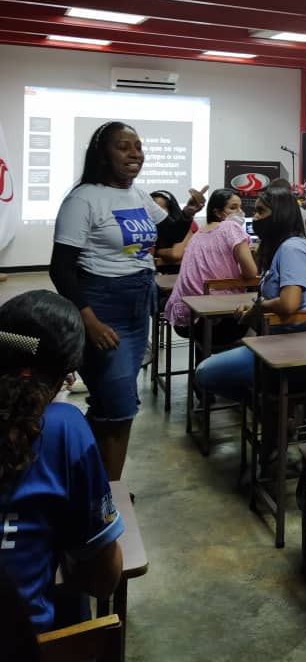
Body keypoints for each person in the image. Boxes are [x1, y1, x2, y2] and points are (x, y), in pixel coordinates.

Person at [49, 121, 207, 479]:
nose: (135, 153)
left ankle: (90, 482)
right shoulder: (83, 199)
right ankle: (107, 497)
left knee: (111, 403)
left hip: (137, 305)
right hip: (102, 305)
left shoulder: (137, 195)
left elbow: (168, 232)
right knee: (119, 407)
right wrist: (89, 320)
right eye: (124, 146)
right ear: (102, 154)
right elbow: (61, 268)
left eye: (138, 146)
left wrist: (188, 212)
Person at [0, 290, 123, 633]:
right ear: (66, 374)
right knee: (76, 599)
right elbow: (104, 580)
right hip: (19, 645)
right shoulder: (61, 428)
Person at [195, 186, 306, 401]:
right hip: (277, 338)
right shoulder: (281, 248)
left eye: (261, 211)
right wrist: (255, 305)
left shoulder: (292, 249)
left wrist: (258, 308)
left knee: (205, 373)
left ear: (280, 216)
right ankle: (268, 406)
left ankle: (266, 406)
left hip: (296, 345)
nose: (254, 217)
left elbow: (289, 304)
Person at [164, 189, 258, 344]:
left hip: (186, 318)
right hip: (218, 318)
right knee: (259, 318)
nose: (240, 212)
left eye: (240, 207)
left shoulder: (199, 233)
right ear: (218, 212)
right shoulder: (231, 227)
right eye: (233, 208)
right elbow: (251, 273)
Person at [151, 189, 198, 272]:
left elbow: (175, 254)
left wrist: (157, 251)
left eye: (159, 209)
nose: (154, 213)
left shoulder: (185, 225)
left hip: (180, 273)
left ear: (170, 210)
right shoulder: (147, 227)